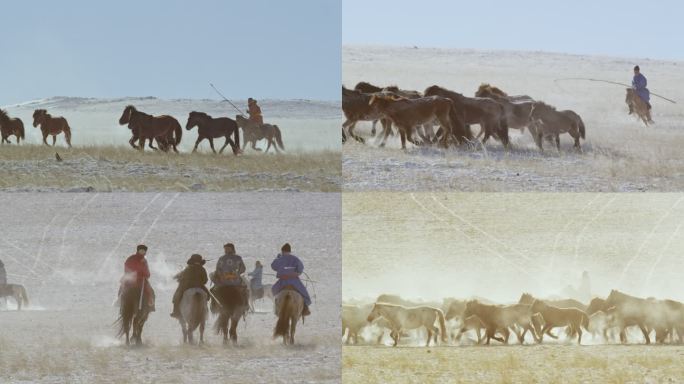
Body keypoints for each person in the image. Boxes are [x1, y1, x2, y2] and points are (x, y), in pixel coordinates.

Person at [271, 243, 312, 316]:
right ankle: (305, 309)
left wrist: (278, 258)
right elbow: (300, 269)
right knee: (305, 294)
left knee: (273, 291)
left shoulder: (279, 259)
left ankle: (276, 309)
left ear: (282, 251)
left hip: (282, 282)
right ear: (289, 251)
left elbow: (273, 266)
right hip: (294, 281)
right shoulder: (296, 259)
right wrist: (295, 273)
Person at [170, 254, 210, 319]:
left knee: (176, 296)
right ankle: (205, 310)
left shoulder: (188, 268)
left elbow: (181, 275)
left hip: (187, 286)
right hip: (200, 286)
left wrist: (175, 277)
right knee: (208, 295)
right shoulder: (202, 269)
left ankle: (176, 312)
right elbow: (205, 280)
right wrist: (200, 283)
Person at [119, 244, 155, 311]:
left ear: (145, 252)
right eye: (141, 251)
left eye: (144, 251)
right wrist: (131, 273)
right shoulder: (131, 258)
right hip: (132, 278)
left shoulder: (144, 260)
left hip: (139, 279)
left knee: (149, 290)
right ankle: (120, 301)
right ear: (138, 250)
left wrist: (145, 273)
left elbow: (147, 273)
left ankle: (150, 304)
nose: (142, 252)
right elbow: (126, 266)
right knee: (122, 287)